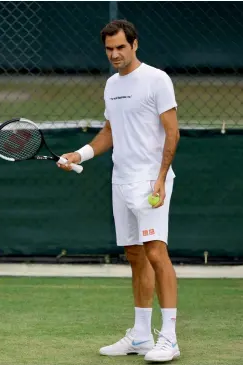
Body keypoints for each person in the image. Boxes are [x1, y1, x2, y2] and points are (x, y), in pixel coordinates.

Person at [58, 20, 181, 363]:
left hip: (150, 181)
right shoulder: (111, 85)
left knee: (157, 253)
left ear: (135, 44)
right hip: (120, 179)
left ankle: (169, 338)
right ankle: (141, 336)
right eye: (109, 49)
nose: (115, 54)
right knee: (135, 255)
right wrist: (79, 154)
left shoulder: (158, 80)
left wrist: (160, 177)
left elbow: (172, 133)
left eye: (121, 47)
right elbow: (109, 131)